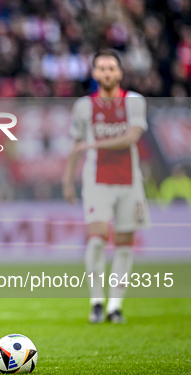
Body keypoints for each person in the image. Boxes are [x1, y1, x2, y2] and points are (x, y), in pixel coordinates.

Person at [62, 49, 150, 324]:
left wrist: (94, 144)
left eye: (111, 68)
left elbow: (131, 137)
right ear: (94, 73)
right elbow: (77, 144)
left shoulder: (134, 102)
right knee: (97, 237)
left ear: (120, 72)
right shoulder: (83, 106)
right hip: (96, 180)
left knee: (124, 243)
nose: (107, 73)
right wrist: (67, 179)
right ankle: (97, 302)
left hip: (129, 180)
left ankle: (115, 306)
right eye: (102, 68)